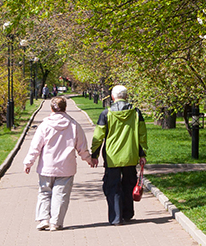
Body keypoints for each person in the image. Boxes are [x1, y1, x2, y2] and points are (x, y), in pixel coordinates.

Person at [24, 96, 92, 231]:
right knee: (61, 195)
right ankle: (55, 222)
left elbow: (35, 146)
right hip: (66, 167)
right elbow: (81, 146)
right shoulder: (73, 125)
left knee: (44, 192)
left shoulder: (45, 125)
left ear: (51, 108)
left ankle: (44, 219)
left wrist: (28, 162)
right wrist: (88, 159)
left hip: (46, 166)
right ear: (65, 107)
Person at [90, 84, 148, 226]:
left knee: (112, 187)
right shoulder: (136, 113)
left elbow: (98, 136)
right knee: (129, 184)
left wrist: (94, 154)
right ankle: (128, 213)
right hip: (130, 155)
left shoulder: (106, 114)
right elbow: (142, 135)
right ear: (126, 96)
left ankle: (116, 218)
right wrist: (142, 153)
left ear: (112, 97)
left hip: (112, 158)